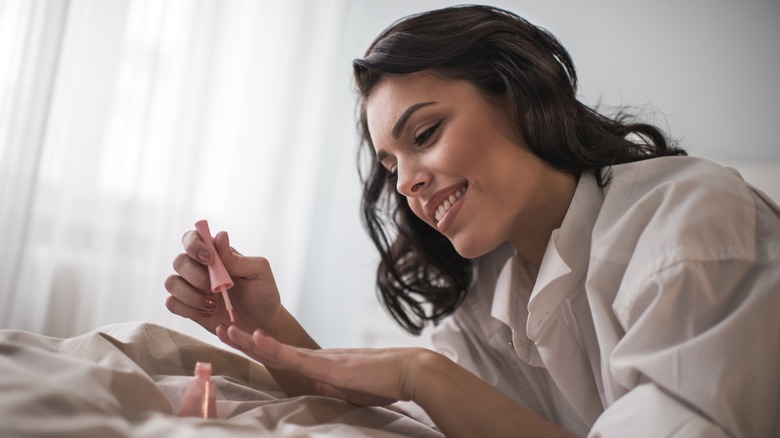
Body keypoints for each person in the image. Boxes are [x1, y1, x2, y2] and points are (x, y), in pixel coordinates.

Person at [164, 5, 780, 437]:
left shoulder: (693, 225)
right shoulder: (493, 294)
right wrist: (265, 321)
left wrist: (419, 372)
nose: (405, 182)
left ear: (516, 92)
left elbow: (429, 387)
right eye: (391, 165)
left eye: (425, 134)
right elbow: (410, 422)